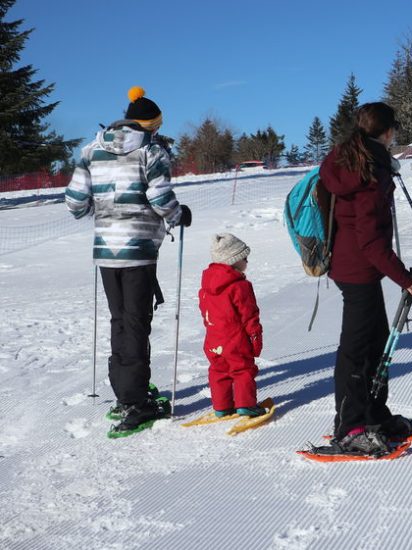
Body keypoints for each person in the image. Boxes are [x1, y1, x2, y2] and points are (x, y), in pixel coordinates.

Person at [65, 86, 192, 435]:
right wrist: (178, 215)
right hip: (138, 249)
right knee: (137, 323)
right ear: (149, 124)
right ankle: (136, 402)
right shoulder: (151, 152)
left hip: (107, 249)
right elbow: (160, 196)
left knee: (120, 320)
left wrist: (101, 209)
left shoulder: (91, 150)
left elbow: (75, 201)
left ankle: (125, 392)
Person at [319, 102, 412, 455]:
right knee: (357, 351)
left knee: (376, 342)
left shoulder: (353, 158)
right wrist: (402, 277)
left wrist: (395, 271)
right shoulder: (367, 170)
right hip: (357, 268)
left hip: (357, 267)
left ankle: (374, 415)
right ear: (388, 131)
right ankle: (350, 428)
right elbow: (369, 239)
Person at [198, 233, 265, 417]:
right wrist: (255, 339)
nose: (247, 262)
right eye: (245, 258)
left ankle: (222, 406)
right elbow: (249, 316)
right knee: (243, 369)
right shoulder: (240, 287)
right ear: (233, 260)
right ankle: (246, 405)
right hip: (235, 340)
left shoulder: (206, 286)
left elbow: (205, 312)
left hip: (213, 340)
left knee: (219, 371)